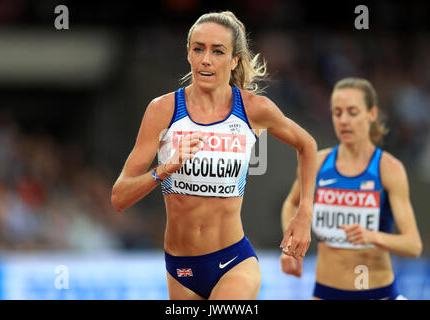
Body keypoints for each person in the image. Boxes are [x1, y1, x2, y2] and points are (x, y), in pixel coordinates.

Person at [112, 11, 317, 300]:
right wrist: (166, 168)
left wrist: (304, 212)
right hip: (180, 270)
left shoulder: (253, 109)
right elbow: (120, 197)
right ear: (188, 54)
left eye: (218, 51)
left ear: (235, 60)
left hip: (234, 262)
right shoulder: (163, 110)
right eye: (198, 49)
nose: (206, 59)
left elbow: (307, 145)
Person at [280, 77, 423, 300]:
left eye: (352, 112)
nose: (344, 120)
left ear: (372, 114)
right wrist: (289, 246)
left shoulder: (388, 169)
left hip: (377, 293)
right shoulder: (317, 163)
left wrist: (372, 237)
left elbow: (413, 245)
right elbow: (291, 204)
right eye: (337, 113)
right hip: (325, 293)